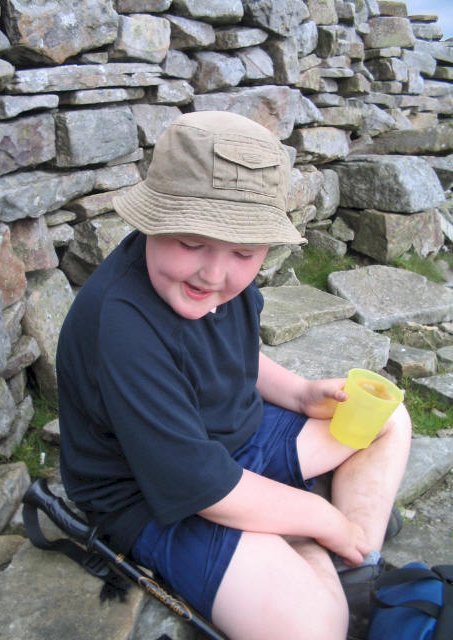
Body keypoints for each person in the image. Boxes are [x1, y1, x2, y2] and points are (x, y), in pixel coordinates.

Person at [56, 111, 412, 640]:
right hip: (157, 494)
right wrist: (323, 519)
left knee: (388, 419)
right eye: (192, 243)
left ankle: (353, 564)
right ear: (153, 220)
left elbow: (237, 355)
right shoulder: (122, 324)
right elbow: (201, 485)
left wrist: (297, 391)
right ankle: (328, 541)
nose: (214, 273)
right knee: (317, 625)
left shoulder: (215, 283)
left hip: (237, 442)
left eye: (244, 252)